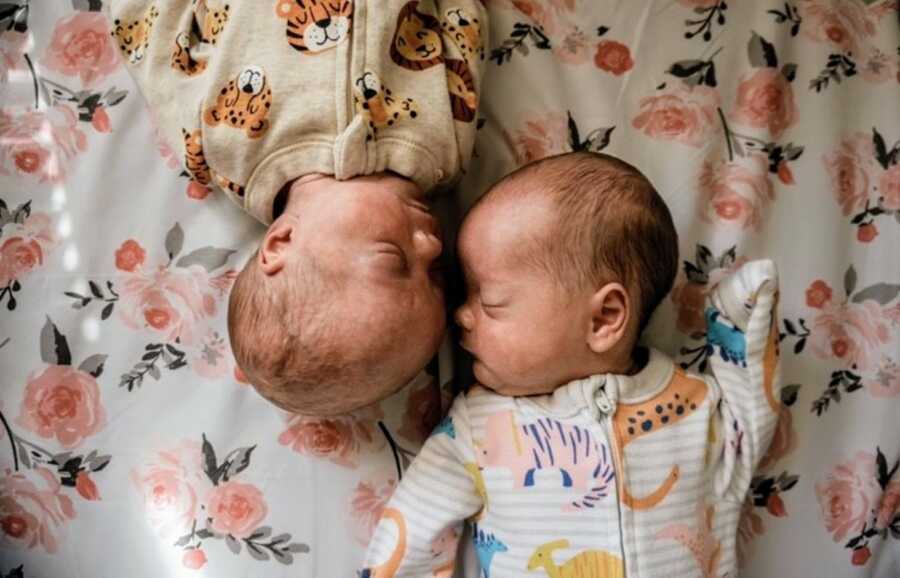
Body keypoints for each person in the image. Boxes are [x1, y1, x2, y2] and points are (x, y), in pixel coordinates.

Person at [361, 152, 781, 577]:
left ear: (603, 318)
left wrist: (738, 315)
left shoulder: (693, 408)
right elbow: (412, 529)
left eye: (489, 302)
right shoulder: (480, 428)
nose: (461, 315)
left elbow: (750, 425)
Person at [107, 0, 487, 415]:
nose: (432, 246)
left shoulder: (218, 148)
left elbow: (152, 34)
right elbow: (463, 28)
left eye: (394, 260)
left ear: (281, 242)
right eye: (434, 276)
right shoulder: (444, 153)